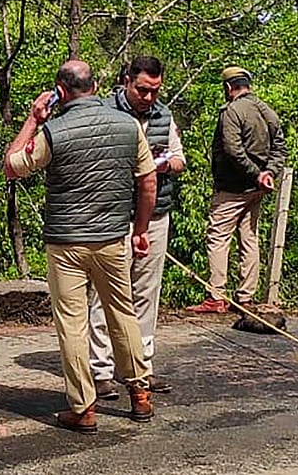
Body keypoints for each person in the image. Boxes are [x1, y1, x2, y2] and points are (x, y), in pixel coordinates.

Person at [4, 60, 158, 434]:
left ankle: (83, 407)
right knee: (123, 313)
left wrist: (34, 118)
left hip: (66, 242)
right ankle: (140, 394)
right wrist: (139, 230)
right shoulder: (129, 126)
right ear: (96, 85)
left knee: (73, 324)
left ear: (61, 89)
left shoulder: (54, 131)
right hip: (111, 238)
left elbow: (12, 166)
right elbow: (149, 181)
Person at [88, 57, 185, 399]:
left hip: (156, 213)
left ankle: (140, 368)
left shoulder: (164, 115)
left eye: (154, 91)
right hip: (113, 216)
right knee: (105, 294)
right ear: (126, 81)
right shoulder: (103, 112)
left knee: (145, 293)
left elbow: (179, 158)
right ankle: (99, 370)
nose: (148, 97)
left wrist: (163, 164)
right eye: (142, 90)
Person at [186, 66, 286, 313]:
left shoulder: (232, 111)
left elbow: (233, 150)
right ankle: (245, 297)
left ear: (228, 88)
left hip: (233, 187)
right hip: (257, 188)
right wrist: (267, 174)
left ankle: (216, 296)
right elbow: (280, 148)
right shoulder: (267, 111)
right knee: (249, 238)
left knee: (218, 237)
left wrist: (258, 174)